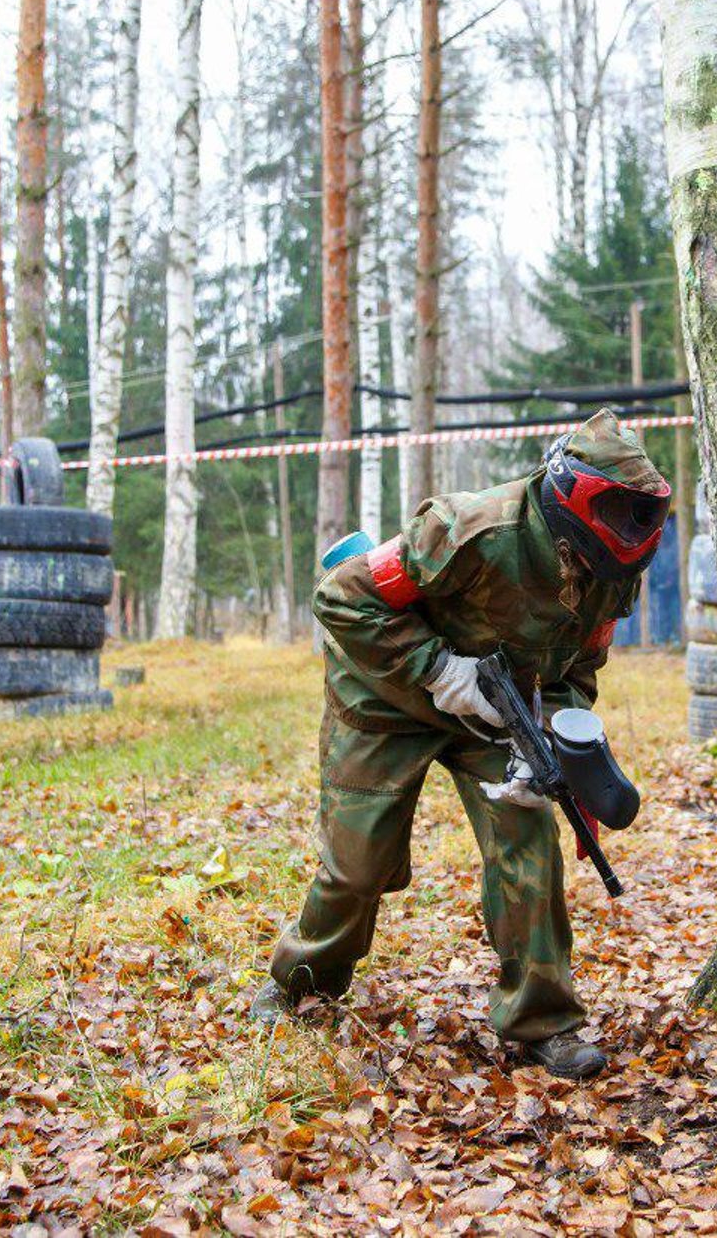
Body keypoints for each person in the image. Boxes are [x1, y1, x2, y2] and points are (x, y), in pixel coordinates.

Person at [251, 409, 672, 1078]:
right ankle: (302, 985)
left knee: (528, 846)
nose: (629, 535)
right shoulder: (471, 527)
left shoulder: (614, 571)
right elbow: (341, 598)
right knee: (360, 862)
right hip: (385, 692)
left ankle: (543, 1021)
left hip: (497, 707)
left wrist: (552, 740)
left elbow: (578, 669)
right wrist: (440, 671)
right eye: (619, 514)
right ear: (575, 496)